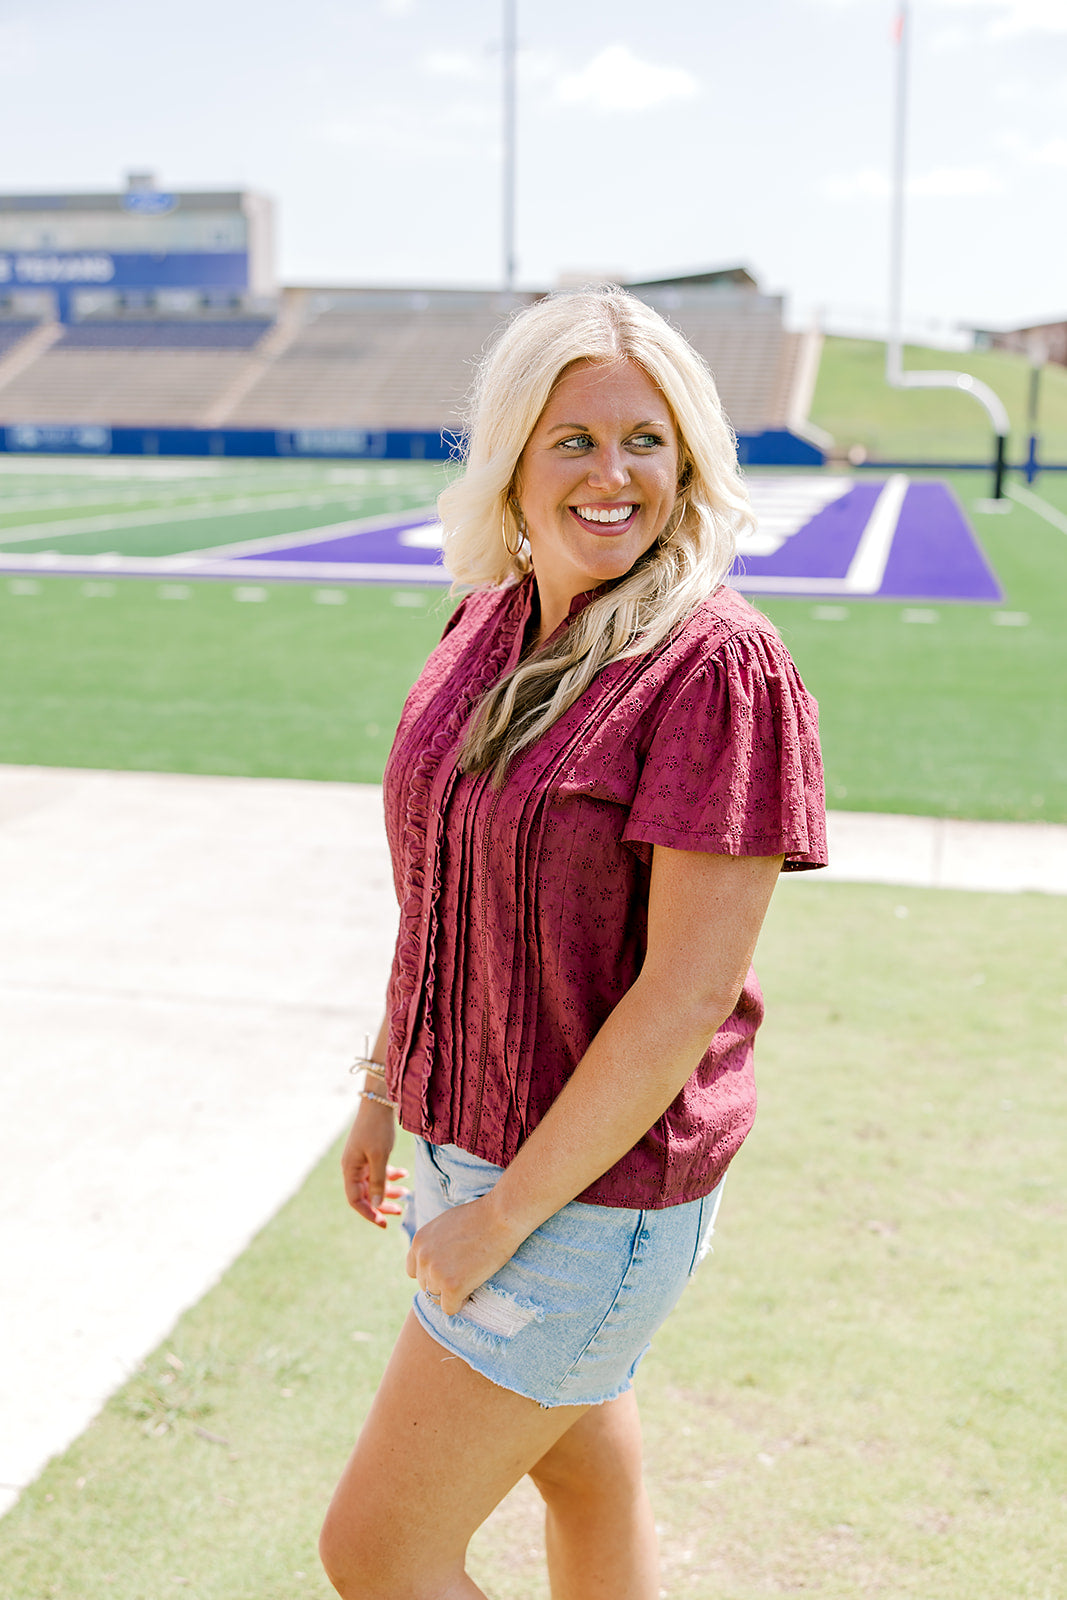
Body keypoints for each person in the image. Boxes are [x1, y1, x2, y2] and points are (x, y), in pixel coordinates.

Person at [319, 287, 826, 1600]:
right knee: (585, 1475)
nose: (614, 475)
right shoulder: (488, 622)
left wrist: (497, 1221)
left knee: (378, 1550)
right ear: (512, 459)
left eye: (646, 441)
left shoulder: (715, 666)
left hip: (582, 1194)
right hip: (464, 1140)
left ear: (692, 459)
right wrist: (386, 1090)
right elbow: (436, 891)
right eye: (575, 440)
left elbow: (682, 998)